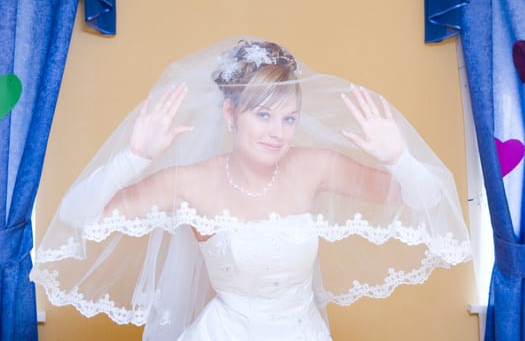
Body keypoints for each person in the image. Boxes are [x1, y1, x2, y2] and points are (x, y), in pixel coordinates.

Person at [31, 37, 471, 340]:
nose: (277, 132)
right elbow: (75, 215)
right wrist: (134, 157)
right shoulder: (189, 181)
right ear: (230, 113)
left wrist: (399, 158)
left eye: (289, 118)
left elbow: (426, 198)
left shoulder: (313, 167)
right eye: (263, 115)